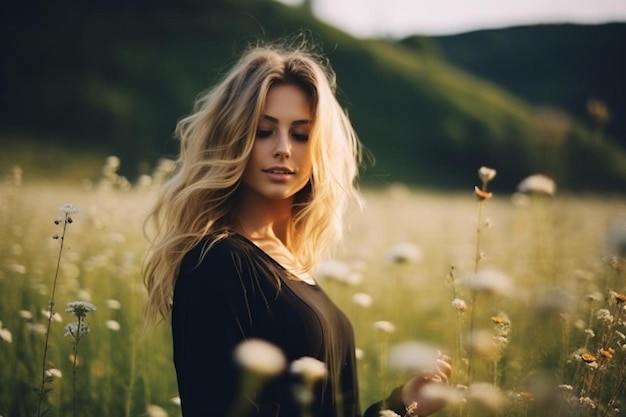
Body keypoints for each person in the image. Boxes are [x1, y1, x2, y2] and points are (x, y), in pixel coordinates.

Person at [142, 36, 451, 417]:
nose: (284, 148)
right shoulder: (217, 262)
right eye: (264, 130)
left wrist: (403, 405)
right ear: (233, 138)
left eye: (301, 134)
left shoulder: (289, 263)